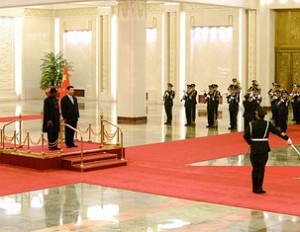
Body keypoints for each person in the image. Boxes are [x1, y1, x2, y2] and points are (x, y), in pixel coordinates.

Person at [243, 106, 292, 194]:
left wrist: (250, 142)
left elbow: (246, 136)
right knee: (261, 168)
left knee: (255, 168)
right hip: (264, 148)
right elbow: (278, 132)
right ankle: (259, 188)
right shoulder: (268, 124)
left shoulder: (251, 124)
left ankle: (254, 188)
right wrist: (287, 138)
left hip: (254, 148)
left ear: (257, 115)